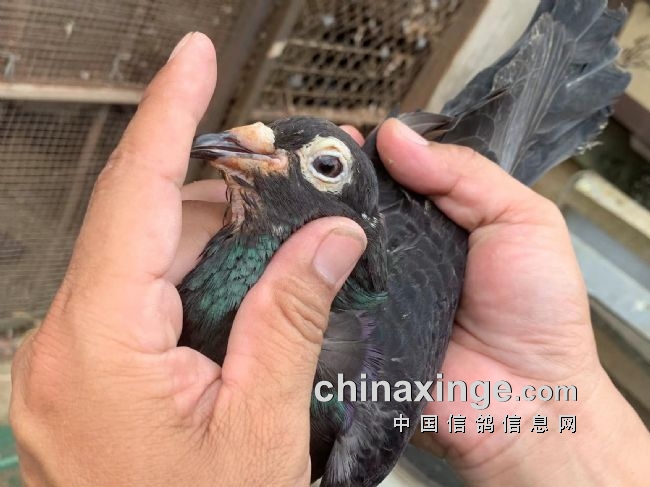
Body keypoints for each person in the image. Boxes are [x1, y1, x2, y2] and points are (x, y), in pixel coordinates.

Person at [10, 33, 650, 486]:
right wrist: (555, 416)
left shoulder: (362, 406)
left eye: (319, 166)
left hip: (429, 223)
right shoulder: (182, 289)